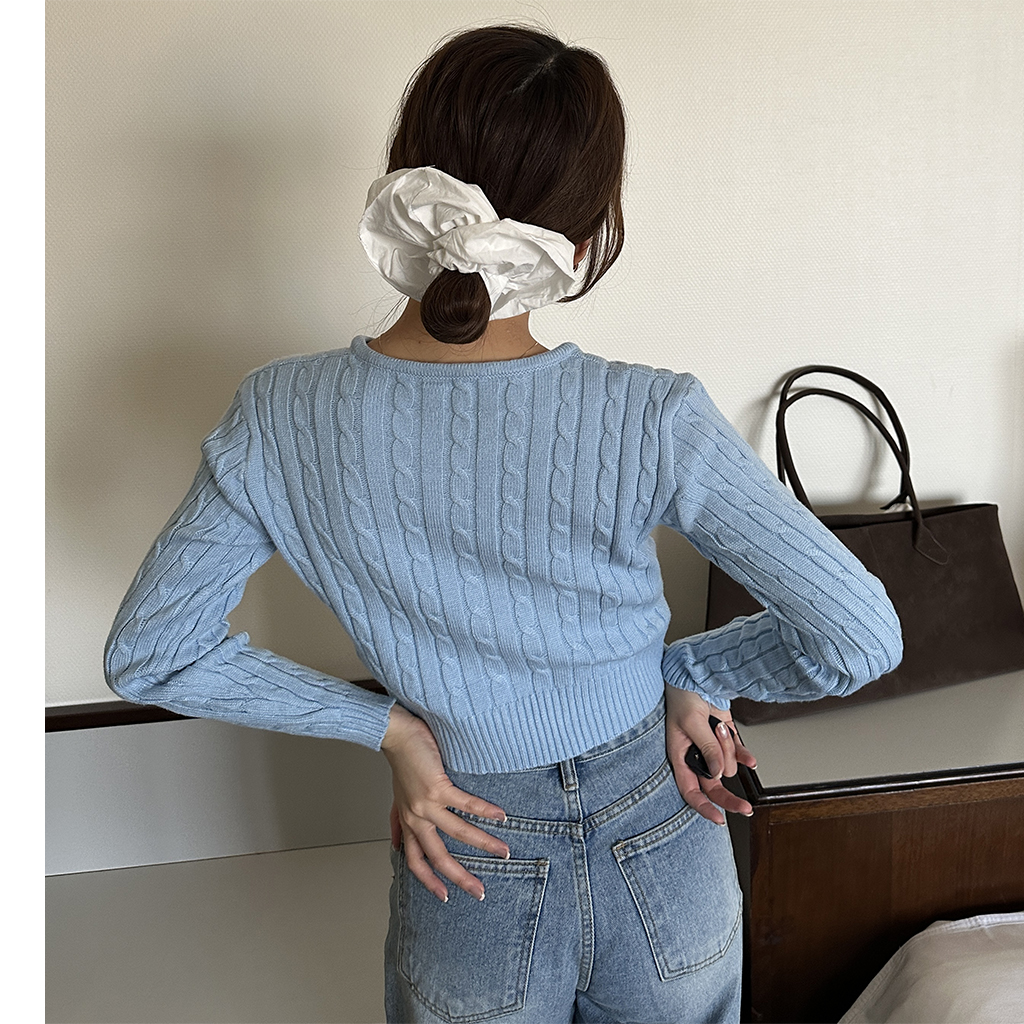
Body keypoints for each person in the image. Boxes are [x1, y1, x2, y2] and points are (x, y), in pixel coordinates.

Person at [104, 24, 903, 1024]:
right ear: (587, 236)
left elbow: (152, 654)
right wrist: (689, 672)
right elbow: (860, 635)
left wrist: (390, 729)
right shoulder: (648, 414)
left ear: (410, 188)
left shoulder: (280, 415)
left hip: (465, 845)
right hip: (666, 841)